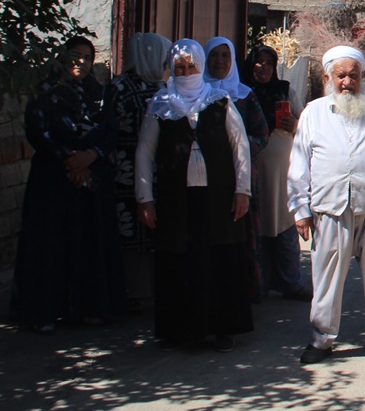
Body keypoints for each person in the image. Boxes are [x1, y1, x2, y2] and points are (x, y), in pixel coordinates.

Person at [288, 46, 365, 365]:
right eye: (340, 75)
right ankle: (321, 340)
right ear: (328, 77)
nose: (347, 82)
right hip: (329, 212)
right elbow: (299, 167)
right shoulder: (312, 113)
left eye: (353, 76)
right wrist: (300, 210)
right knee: (326, 281)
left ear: (361, 78)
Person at [135, 39, 253, 352]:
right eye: (180, 68)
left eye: (191, 67)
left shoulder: (219, 100)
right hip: (178, 200)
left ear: (200, 68)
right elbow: (145, 153)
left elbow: (240, 147)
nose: (186, 72)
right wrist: (144, 198)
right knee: (181, 261)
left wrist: (243, 190)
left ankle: (223, 329)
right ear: (171, 70)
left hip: (218, 199)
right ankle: (182, 330)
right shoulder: (161, 104)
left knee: (220, 261)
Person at [11, 36, 125, 333]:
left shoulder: (100, 94)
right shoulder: (46, 94)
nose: (81, 63)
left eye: (87, 57)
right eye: (75, 56)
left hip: (92, 179)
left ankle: (89, 308)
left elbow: (110, 132)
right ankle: (46, 311)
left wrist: (90, 156)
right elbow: (38, 130)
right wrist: (69, 159)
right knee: (51, 244)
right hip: (52, 180)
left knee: (89, 241)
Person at [204, 36, 269, 300]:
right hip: (205, 177)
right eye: (214, 55)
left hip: (240, 176)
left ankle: (243, 290)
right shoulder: (196, 94)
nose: (219, 61)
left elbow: (261, 133)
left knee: (240, 230)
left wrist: (237, 151)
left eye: (225, 56)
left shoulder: (244, 95)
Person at [109, 32, 171, 305]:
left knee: (154, 230)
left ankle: (152, 290)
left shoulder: (164, 89)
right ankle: (129, 291)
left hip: (159, 172)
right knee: (129, 229)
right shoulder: (119, 87)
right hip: (124, 171)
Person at [245, 43, 310, 301]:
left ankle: (290, 283)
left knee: (285, 224)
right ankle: (258, 285)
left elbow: (305, 124)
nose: (263, 68)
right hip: (253, 169)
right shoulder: (242, 92)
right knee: (258, 225)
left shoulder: (284, 90)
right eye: (258, 62)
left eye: (269, 63)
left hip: (283, 169)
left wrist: (294, 125)